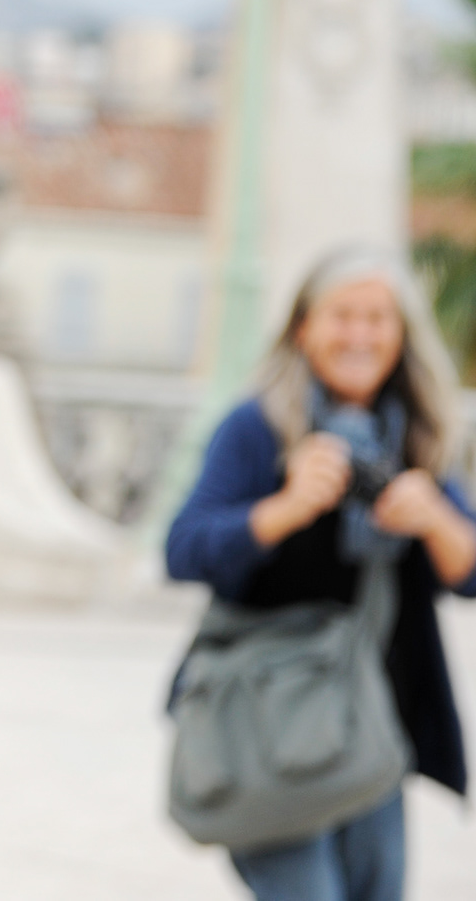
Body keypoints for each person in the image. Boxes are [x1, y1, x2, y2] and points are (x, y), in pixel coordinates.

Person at [167, 247, 476, 901]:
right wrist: (285, 508)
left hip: (373, 725)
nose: (359, 335)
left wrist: (434, 519)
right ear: (303, 327)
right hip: (266, 723)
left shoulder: (415, 435)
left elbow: (468, 571)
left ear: (401, 334)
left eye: (377, 318)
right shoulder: (257, 427)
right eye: (342, 316)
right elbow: (184, 549)